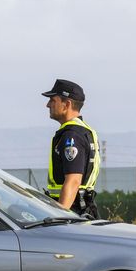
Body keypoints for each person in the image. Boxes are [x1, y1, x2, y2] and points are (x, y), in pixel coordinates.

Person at [41, 79, 102, 218]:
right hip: (81, 210)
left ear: (66, 104)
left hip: (73, 212)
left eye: (53, 100)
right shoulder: (82, 131)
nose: (47, 105)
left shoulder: (72, 136)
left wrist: (60, 218)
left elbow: (73, 181)